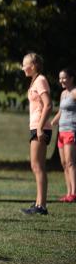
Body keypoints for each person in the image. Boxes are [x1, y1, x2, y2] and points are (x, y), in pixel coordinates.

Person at [21, 53, 52, 215]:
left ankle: (42, 206)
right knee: (37, 166)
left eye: (24, 65)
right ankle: (39, 203)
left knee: (37, 166)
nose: (22, 68)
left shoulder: (40, 80)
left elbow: (48, 105)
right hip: (36, 126)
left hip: (40, 127)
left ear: (33, 66)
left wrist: (40, 128)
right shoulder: (35, 81)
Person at [51, 68, 76, 203]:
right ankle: (68, 193)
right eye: (60, 78)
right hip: (61, 131)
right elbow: (60, 113)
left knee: (70, 162)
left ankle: (74, 193)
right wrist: (50, 123)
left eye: (64, 78)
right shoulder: (63, 94)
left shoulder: (74, 92)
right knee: (64, 163)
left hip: (71, 131)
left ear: (71, 78)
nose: (61, 80)